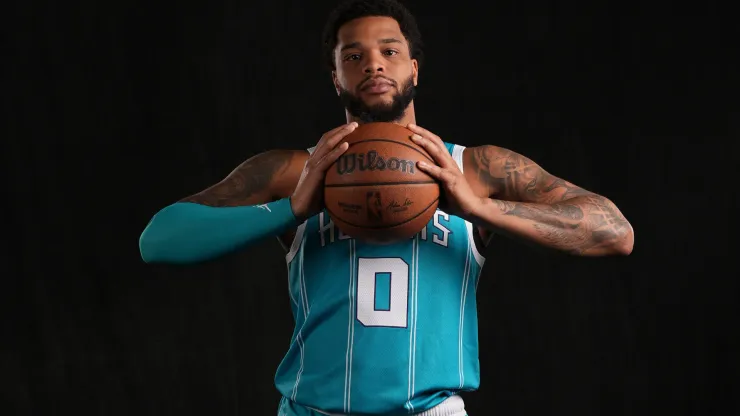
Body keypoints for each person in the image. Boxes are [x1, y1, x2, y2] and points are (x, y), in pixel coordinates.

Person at [139, 0, 635, 414]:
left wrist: (478, 208)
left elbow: (615, 232)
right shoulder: (294, 172)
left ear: (414, 67)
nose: (373, 64)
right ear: (335, 78)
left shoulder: (477, 170)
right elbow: (158, 239)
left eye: (389, 51)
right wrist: (290, 209)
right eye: (352, 56)